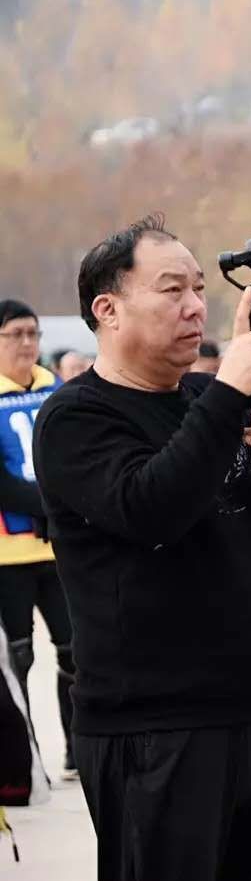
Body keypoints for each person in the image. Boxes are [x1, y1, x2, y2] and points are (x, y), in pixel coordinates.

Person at [32, 215, 251, 881]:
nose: (197, 307)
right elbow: (151, 509)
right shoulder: (74, 419)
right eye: (173, 290)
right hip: (155, 734)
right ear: (107, 309)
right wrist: (228, 394)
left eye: (200, 289)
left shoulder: (203, 403)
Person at [0, 300, 74, 779]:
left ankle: (80, 752)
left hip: (61, 549)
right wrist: (48, 503)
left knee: (78, 655)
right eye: (15, 335)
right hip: (8, 555)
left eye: (33, 333)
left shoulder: (58, 390)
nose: (28, 344)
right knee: (19, 660)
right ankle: (24, 764)